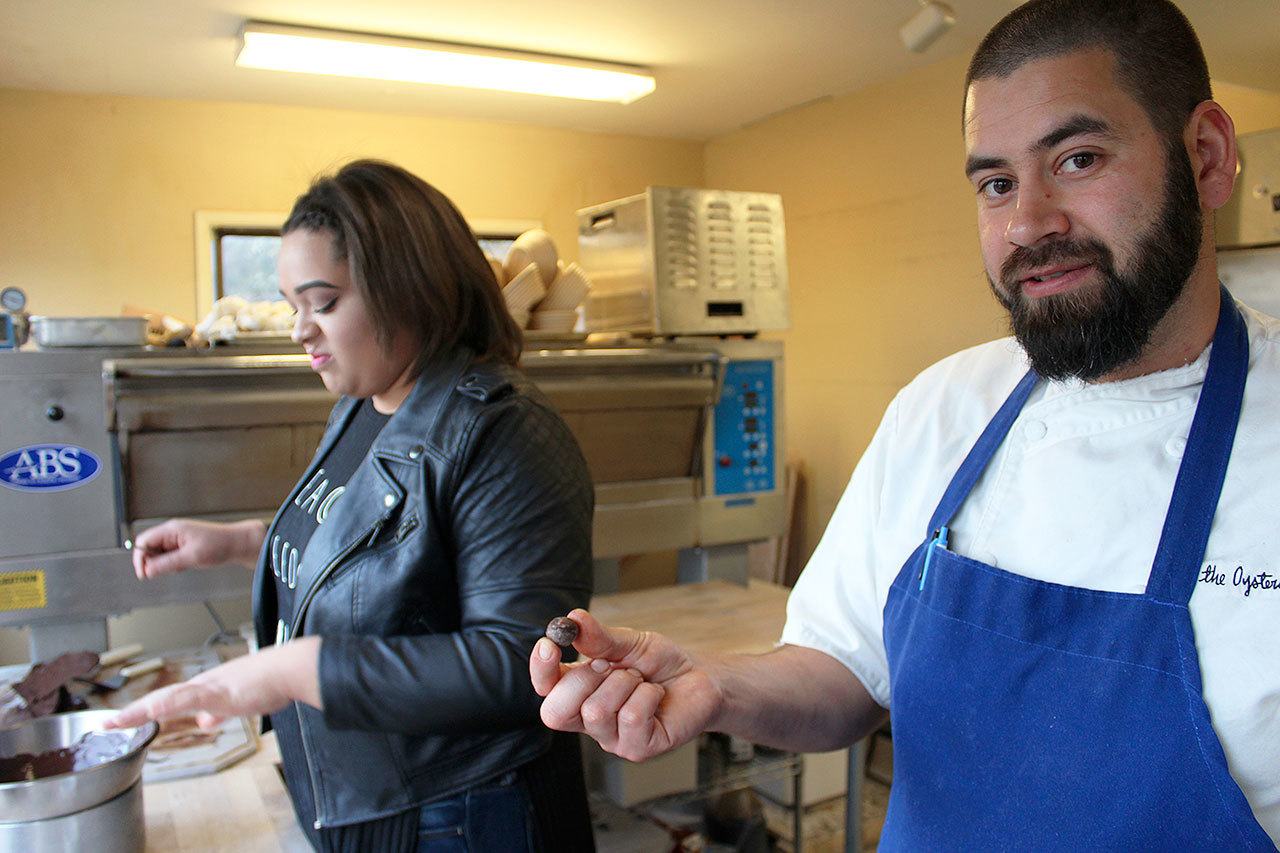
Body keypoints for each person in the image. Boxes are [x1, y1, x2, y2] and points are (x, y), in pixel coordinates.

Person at [530, 0, 1280, 848]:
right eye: (996, 183)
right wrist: (714, 685)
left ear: (1208, 157)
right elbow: (846, 668)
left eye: (1078, 158)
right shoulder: (943, 407)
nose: (1028, 222)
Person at [110, 160, 596, 852]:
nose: (300, 330)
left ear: (410, 288)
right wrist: (239, 541)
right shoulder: (362, 405)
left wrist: (293, 669)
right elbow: (372, 548)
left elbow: (517, 662)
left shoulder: (505, 431)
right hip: (358, 796)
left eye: (324, 303)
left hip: (460, 814)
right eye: (292, 305)